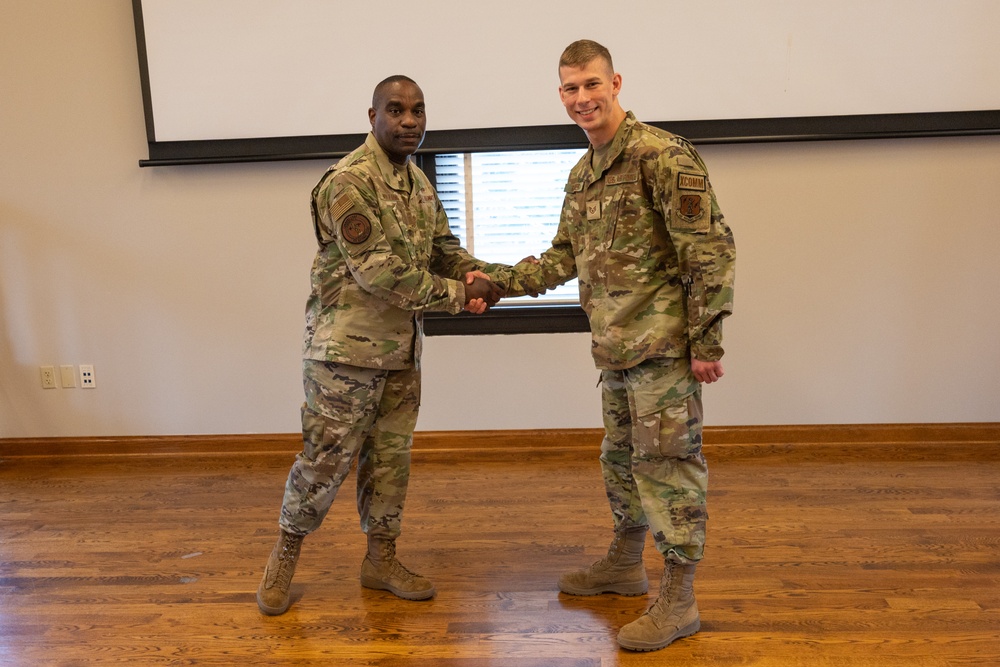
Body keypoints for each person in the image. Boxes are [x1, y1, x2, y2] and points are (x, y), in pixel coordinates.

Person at [508, 40, 736, 651]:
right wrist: (495, 282)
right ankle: (625, 564)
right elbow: (563, 256)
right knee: (621, 462)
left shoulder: (662, 155)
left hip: (661, 348)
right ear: (561, 95)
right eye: (570, 88)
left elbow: (709, 250)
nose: (582, 98)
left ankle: (680, 598)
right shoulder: (583, 174)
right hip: (615, 350)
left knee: (668, 468)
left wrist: (706, 341)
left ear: (616, 83)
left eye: (591, 85)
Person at [257, 75, 510, 615]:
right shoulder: (348, 182)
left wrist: (480, 274)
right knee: (324, 462)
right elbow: (378, 273)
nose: (409, 121)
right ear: (371, 115)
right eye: (395, 110)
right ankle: (284, 555)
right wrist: (459, 294)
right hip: (344, 355)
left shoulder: (417, 182)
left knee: (390, 461)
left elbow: (442, 249)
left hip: (400, 352)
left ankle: (381, 559)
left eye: (418, 110)